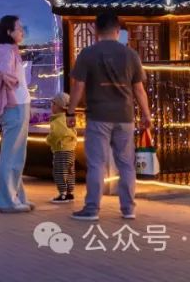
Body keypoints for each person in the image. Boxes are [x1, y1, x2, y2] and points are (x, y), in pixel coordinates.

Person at [67, 12, 151, 222]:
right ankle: (128, 209)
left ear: (96, 30)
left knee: (97, 164)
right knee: (126, 164)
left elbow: (78, 86)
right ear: (117, 30)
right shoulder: (130, 54)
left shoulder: (88, 54)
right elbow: (139, 90)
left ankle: (92, 209)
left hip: (98, 116)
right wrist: (146, 114)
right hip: (125, 116)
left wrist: (70, 111)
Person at [0, 15, 33, 213]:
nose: (22, 31)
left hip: (19, 105)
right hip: (15, 106)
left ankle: (16, 197)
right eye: (18, 28)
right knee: (11, 155)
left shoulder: (9, 49)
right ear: (9, 31)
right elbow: (3, 72)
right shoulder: (6, 51)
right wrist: (14, 84)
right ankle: (7, 201)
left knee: (16, 155)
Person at [46, 91, 77, 204]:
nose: (51, 106)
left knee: (59, 172)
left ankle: (62, 194)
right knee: (70, 172)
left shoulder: (58, 120)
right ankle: (69, 193)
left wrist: (49, 140)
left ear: (59, 106)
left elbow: (57, 133)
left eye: (53, 104)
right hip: (70, 150)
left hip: (61, 150)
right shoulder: (68, 118)